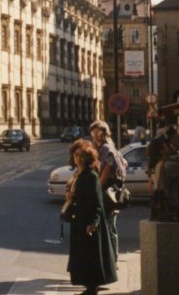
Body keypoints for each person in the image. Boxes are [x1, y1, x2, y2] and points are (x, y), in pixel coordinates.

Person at [67, 143, 117, 295]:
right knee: (84, 255)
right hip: (81, 220)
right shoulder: (82, 175)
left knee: (90, 256)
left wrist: (93, 223)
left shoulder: (91, 176)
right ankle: (89, 286)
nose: (74, 158)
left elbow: (96, 202)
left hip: (88, 222)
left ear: (82, 159)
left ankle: (91, 288)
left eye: (77, 156)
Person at [89, 120, 127, 265]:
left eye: (95, 132)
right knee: (111, 226)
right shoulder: (110, 148)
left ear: (103, 133)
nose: (93, 135)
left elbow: (106, 171)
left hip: (107, 194)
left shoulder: (107, 149)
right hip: (112, 192)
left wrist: (96, 190)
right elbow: (125, 163)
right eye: (92, 132)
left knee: (109, 227)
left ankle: (112, 261)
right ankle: (111, 259)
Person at [149, 136, 179, 221]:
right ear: (162, 151)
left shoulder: (158, 164)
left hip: (164, 207)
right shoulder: (168, 165)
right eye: (166, 145)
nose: (170, 146)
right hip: (172, 207)